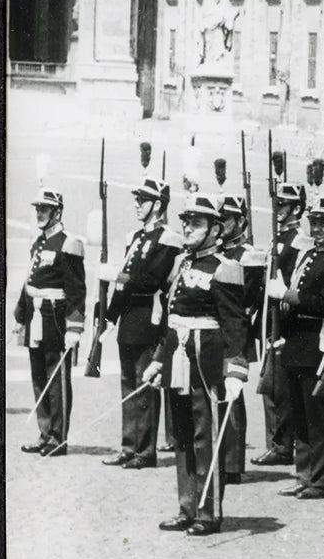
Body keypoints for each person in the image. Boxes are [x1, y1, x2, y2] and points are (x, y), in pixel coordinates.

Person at [141, 195, 250, 535]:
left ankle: (208, 511)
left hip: (206, 359)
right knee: (183, 434)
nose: (188, 227)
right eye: (186, 221)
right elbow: (172, 319)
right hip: (178, 357)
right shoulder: (181, 264)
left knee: (206, 434)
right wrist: (159, 360)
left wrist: (235, 369)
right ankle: (187, 506)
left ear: (215, 229)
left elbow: (235, 323)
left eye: (197, 223)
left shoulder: (225, 267)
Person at [99, 178, 182, 469]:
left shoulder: (167, 239)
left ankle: (145, 451)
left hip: (149, 317)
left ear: (158, 205)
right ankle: (129, 446)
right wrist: (110, 316)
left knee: (144, 385)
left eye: (143, 200)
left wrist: (117, 277)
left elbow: (152, 279)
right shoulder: (136, 237)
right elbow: (125, 284)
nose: (137, 204)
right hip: (130, 320)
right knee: (128, 384)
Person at [271, 193, 324, 499]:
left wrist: (289, 297)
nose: (317, 229)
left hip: (317, 343)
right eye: (314, 222)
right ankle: (304, 475)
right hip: (295, 342)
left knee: (317, 418)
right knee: (299, 416)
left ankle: (319, 480)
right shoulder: (307, 255)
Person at [15, 187, 86, 457]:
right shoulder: (39, 242)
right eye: (37, 209)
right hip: (35, 314)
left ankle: (59, 437)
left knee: (57, 379)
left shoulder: (69, 244)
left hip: (55, 316)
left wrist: (74, 327)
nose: (39, 214)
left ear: (57, 212)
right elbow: (29, 282)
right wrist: (20, 316)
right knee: (39, 376)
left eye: (44, 209)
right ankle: (45, 433)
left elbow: (77, 290)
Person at [253, 181, 307, 468]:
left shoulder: (298, 240)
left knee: (280, 386)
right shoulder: (280, 238)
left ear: (296, 208)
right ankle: (276, 441)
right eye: (276, 205)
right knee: (271, 381)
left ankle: (282, 444)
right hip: (268, 314)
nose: (277, 210)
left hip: (283, 317)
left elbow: (297, 275)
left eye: (283, 205)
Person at [216, 195, 266, 484]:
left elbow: (243, 298)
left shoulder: (248, 255)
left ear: (241, 221)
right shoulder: (221, 253)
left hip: (236, 329)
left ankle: (233, 463)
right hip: (216, 330)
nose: (222, 223)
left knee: (232, 394)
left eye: (228, 218)